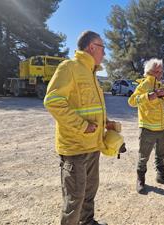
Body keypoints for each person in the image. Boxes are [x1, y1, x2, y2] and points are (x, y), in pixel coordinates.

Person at [44, 31, 109, 225]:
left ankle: (87, 222)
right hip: (75, 148)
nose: (104, 53)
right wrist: (82, 126)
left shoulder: (92, 73)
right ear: (91, 47)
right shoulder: (69, 67)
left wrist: (107, 122)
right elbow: (53, 102)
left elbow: (91, 107)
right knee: (74, 199)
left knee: (89, 192)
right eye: (102, 48)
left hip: (93, 146)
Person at [128, 58, 164, 194]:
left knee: (160, 154)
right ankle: (140, 179)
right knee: (144, 156)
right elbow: (131, 101)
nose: (159, 73)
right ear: (149, 71)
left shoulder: (162, 86)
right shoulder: (143, 85)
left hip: (161, 127)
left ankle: (160, 176)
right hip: (147, 128)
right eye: (156, 71)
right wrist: (147, 96)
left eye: (160, 71)